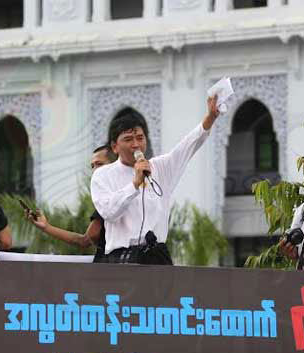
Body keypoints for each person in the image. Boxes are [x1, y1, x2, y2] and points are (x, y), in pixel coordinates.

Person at [91, 95, 220, 264]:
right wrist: (134, 184)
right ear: (115, 147)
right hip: (122, 258)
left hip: (157, 255)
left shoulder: (159, 167)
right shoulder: (102, 175)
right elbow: (109, 212)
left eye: (140, 138)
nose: (136, 145)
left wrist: (210, 118)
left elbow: (188, 145)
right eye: (128, 139)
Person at [26, 145, 116, 263]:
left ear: (115, 165)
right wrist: (46, 227)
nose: (94, 170)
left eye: (99, 164)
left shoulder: (110, 200)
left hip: (111, 267)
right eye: (92, 166)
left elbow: (85, 240)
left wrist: (47, 227)